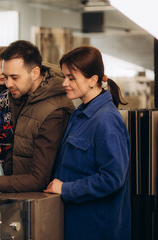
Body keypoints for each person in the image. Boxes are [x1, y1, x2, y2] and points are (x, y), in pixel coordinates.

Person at [44, 46, 130, 240]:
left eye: (71, 77)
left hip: (97, 229)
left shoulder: (106, 119)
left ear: (93, 80)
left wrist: (66, 189)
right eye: (65, 76)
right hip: (76, 223)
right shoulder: (80, 114)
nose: (65, 82)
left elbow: (112, 178)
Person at [0, 40, 75, 192]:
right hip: (17, 196)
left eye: (15, 77)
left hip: (40, 204)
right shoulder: (20, 96)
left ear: (35, 73)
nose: (8, 84)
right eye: (6, 76)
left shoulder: (54, 112)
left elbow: (39, 179)